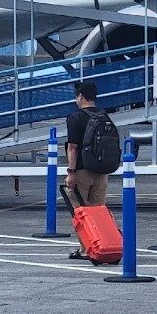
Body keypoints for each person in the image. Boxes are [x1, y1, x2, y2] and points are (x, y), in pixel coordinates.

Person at [63, 80, 119, 259]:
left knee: (80, 212)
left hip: (82, 171)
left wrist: (70, 172)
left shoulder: (75, 118)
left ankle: (86, 248)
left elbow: (72, 147)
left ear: (80, 96)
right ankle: (103, 245)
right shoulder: (105, 117)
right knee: (99, 211)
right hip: (102, 172)